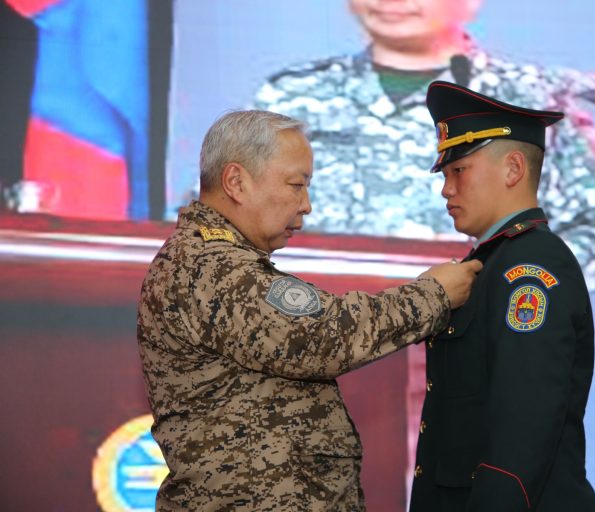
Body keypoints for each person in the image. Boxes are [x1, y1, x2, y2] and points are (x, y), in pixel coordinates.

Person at [136, 109, 482, 511]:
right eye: (296, 185)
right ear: (236, 182)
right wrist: (434, 295)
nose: (306, 205)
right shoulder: (209, 266)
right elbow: (322, 335)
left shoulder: (216, 260)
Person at [251, 0, 595, 292]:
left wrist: (499, 279)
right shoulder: (292, 96)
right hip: (309, 351)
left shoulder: (530, 99)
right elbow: (223, 222)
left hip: (463, 354)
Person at [408, 81, 595, 511]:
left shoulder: (529, 267)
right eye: (445, 174)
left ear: (513, 169)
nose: (446, 189)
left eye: (459, 170)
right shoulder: (492, 262)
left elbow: (524, 425)